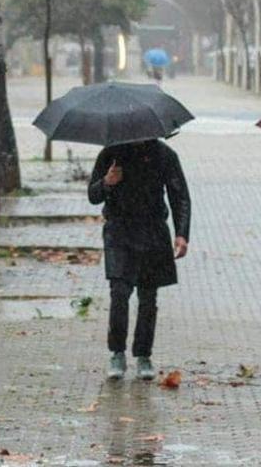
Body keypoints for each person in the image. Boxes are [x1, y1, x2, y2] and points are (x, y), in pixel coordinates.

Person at [88, 137, 191, 381]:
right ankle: (117, 353)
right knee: (119, 291)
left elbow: (180, 195)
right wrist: (107, 182)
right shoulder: (111, 152)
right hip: (119, 230)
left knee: (148, 295)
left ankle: (143, 355)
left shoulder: (164, 154)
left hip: (152, 231)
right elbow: (93, 195)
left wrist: (181, 233)